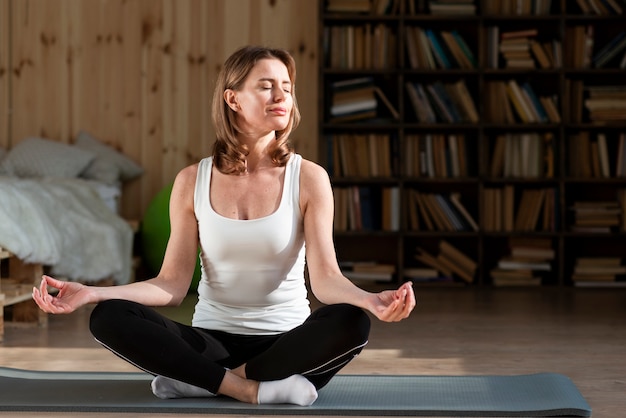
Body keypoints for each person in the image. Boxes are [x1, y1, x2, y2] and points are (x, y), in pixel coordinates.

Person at [32, 45, 416, 407]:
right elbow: (170, 285)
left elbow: (326, 280)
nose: (280, 96)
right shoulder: (191, 181)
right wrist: (93, 294)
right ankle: (251, 389)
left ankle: (207, 381)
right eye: (266, 87)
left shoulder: (309, 178)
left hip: (286, 345)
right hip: (210, 341)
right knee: (110, 316)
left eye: (286, 87)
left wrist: (368, 299)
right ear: (233, 99)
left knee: (351, 321)